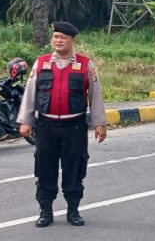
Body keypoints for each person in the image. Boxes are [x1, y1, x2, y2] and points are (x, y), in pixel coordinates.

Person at [19, 21, 108, 227]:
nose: (58, 41)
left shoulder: (86, 65)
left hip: (74, 127)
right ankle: (45, 211)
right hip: (46, 127)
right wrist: (26, 120)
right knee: (44, 169)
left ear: (73, 41)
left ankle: (73, 210)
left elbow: (96, 95)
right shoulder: (41, 63)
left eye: (63, 38)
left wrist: (99, 124)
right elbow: (30, 93)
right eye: (56, 37)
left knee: (74, 168)